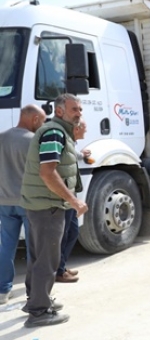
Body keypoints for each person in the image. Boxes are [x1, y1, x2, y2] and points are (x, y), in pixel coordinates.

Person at [20, 93, 88, 327]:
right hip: (48, 205)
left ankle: (36, 300)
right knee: (47, 261)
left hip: (40, 204)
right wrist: (74, 201)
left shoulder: (58, 132)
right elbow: (48, 172)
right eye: (74, 109)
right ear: (59, 111)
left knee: (39, 258)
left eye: (80, 109)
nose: (78, 113)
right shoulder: (55, 133)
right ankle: (39, 312)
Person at [0, 105, 47, 305]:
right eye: (43, 121)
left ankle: (3, 291)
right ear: (35, 119)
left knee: (6, 246)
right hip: (29, 202)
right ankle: (34, 292)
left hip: (4, 201)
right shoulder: (32, 141)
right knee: (34, 248)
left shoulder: (1, 137)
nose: (43, 125)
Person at [56, 119, 91, 283]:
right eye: (84, 128)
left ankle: (61, 267)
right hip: (65, 196)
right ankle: (58, 271)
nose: (85, 131)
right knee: (64, 235)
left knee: (72, 232)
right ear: (77, 129)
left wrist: (82, 154)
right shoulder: (66, 140)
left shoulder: (70, 141)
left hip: (70, 195)